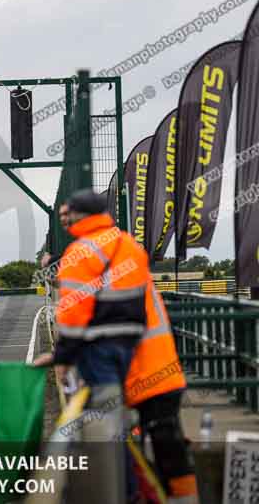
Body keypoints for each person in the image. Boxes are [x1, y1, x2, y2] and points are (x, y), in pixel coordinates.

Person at [32, 188, 150, 501]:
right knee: (116, 417)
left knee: (103, 422)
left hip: (98, 347)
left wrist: (63, 357)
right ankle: (128, 488)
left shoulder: (81, 251)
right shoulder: (129, 245)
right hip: (131, 344)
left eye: (68, 215)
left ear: (82, 215)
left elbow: (72, 312)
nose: (66, 222)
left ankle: (117, 490)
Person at [124, 280, 197, 502]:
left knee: (162, 452)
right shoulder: (135, 271)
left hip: (146, 380)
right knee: (168, 450)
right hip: (162, 375)